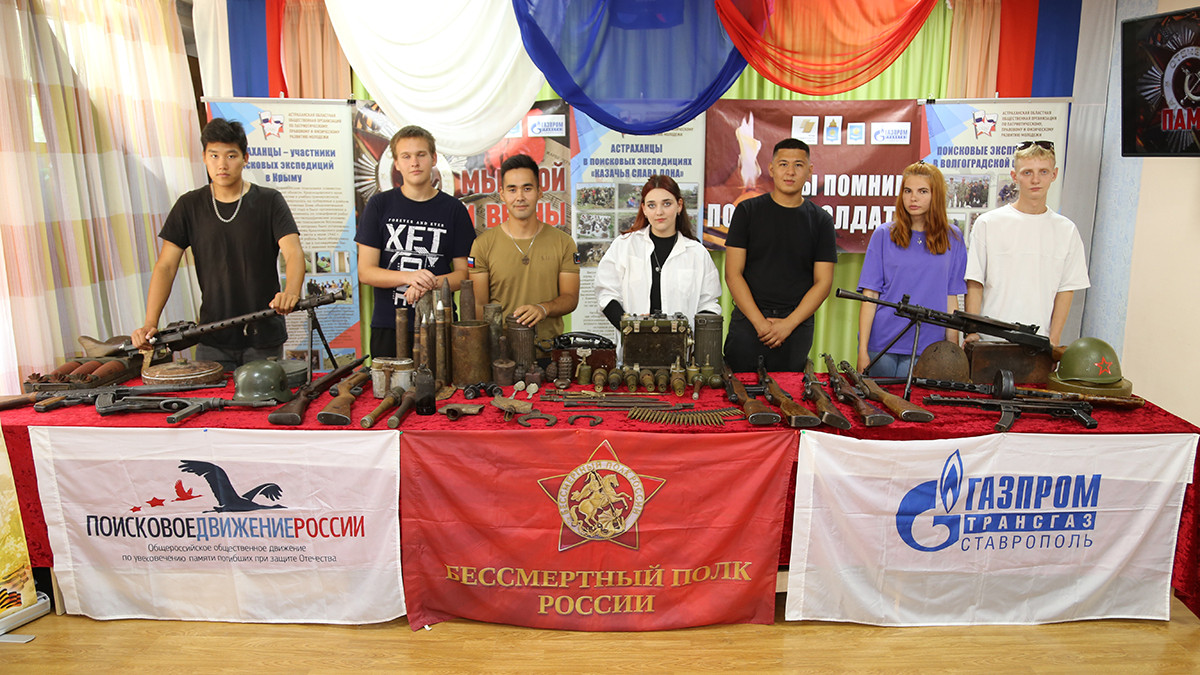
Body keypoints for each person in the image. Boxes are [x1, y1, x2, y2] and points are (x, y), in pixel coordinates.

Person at [131, 118, 305, 371]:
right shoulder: (189, 205)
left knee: (266, 396)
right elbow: (166, 266)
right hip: (212, 337)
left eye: (231, 156)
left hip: (264, 334)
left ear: (245, 158)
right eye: (214, 155)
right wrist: (150, 322)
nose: (222, 164)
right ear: (204, 157)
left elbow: (293, 252)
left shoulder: (269, 201)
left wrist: (292, 292)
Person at [356, 125, 475, 358]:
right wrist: (409, 277)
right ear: (396, 163)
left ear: (433, 158)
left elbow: (464, 275)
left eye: (421, 154)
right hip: (389, 324)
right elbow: (366, 272)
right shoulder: (379, 205)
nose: (414, 163)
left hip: (440, 322)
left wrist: (427, 283)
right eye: (406, 156)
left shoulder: (454, 210)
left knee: (442, 382)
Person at [723, 138, 837, 372]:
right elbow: (733, 274)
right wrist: (760, 323)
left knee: (791, 392)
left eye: (798, 165)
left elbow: (823, 282)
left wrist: (788, 325)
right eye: (783, 164)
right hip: (748, 324)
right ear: (771, 169)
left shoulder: (821, 220)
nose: (790, 172)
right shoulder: (747, 211)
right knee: (738, 391)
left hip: (795, 328)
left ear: (809, 171)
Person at [964, 140, 1089, 346]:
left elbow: (1066, 289)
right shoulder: (988, 223)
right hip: (989, 342)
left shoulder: (1067, 230)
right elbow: (975, 282)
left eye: (1043, 172)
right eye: (1027, 172)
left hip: (1038, 343)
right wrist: (973, 331)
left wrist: (1053, 340)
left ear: (1054, 174)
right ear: (1015, 176)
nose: (1035, 180)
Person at [856, 161, 967, 377]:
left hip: (928, 347)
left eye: (922, 191)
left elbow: (951, 297)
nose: (913, 198)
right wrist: (862, 350)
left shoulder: (953, 237)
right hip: (882, 344)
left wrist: (952, 349)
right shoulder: (883, 235)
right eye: (908, 191)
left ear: (936, 195)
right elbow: (870, 296)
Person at [469, 154, 580, 357]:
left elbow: (571, 298)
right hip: (502, 356)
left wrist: (543, 308)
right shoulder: (482, 245)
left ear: (539, 192)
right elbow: (479, 307)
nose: (520, 197)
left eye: (527, 188)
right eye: (512, 189)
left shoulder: (564, 243)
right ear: (502, 194)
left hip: (549, 354)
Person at [595, 175, 721, 336]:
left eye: (667, 204)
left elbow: (708, 304)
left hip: (683, 348)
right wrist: (631, 328)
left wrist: (690, 339)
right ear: (644, 209)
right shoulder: (624, 245)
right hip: (633, 346)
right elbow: (606, 294)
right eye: (651, 205)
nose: (659, 212)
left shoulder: (697, 253)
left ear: (679, 205)